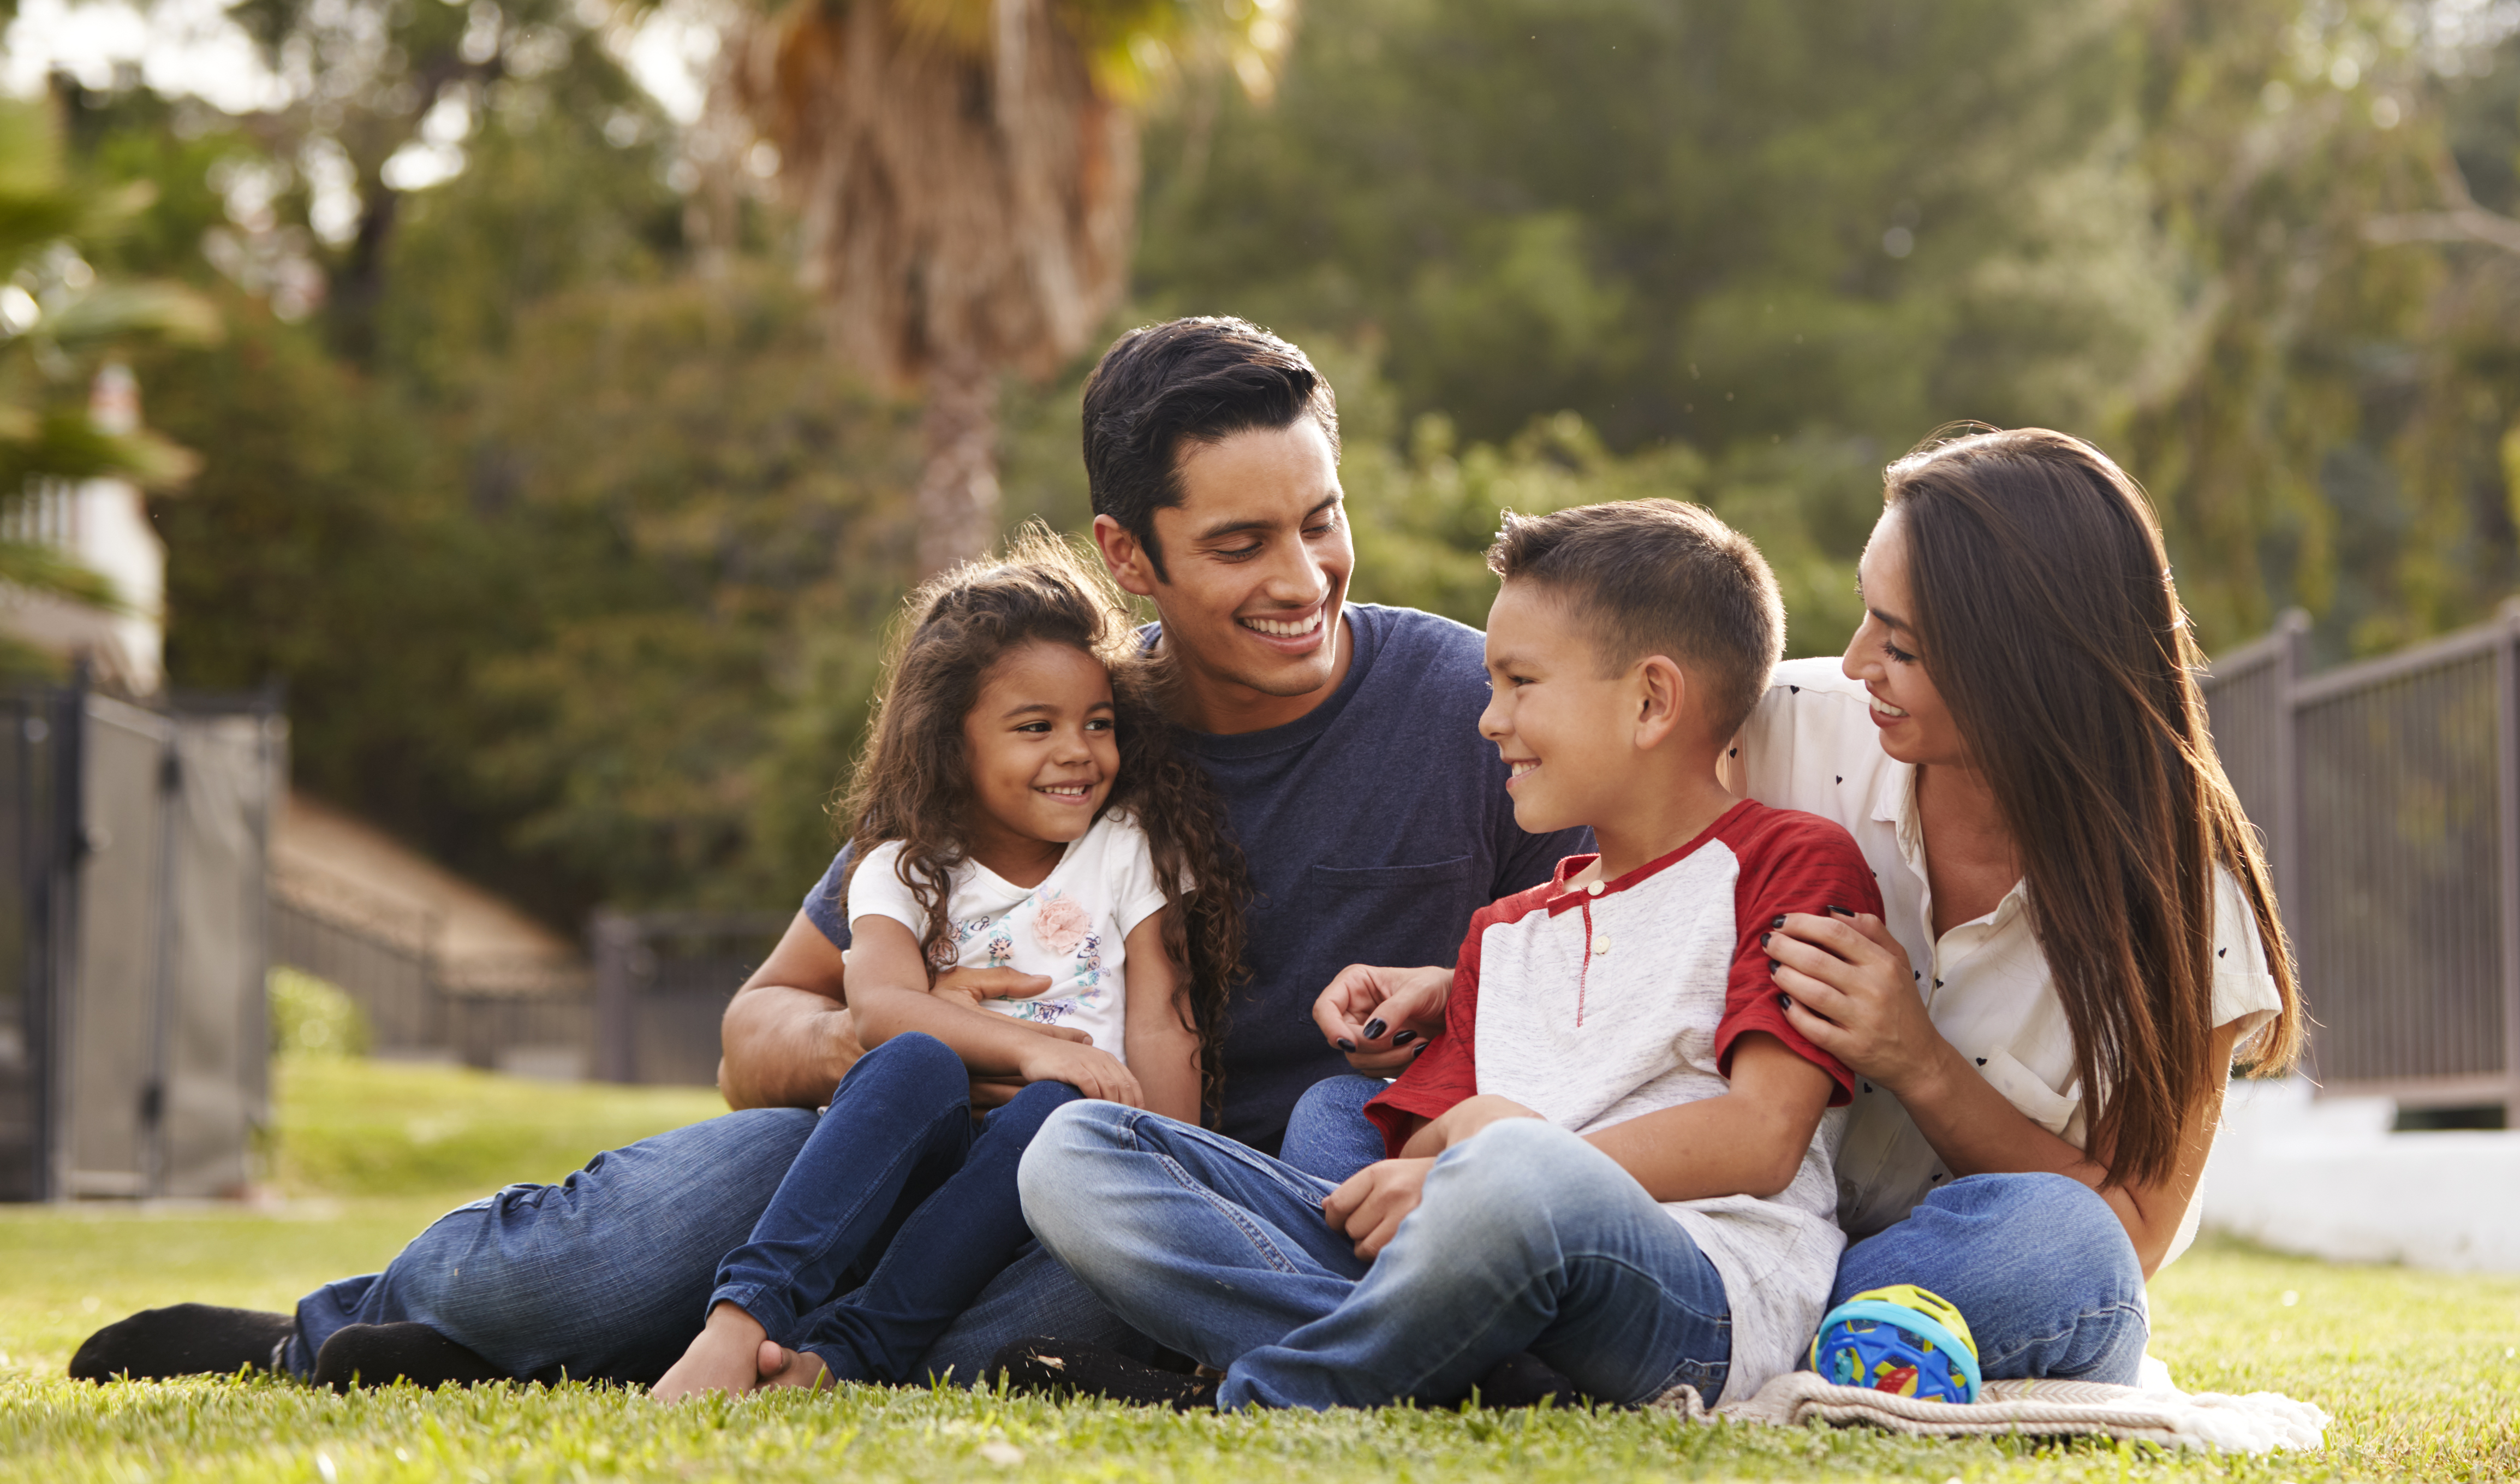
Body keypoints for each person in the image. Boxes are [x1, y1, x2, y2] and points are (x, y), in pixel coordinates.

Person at [71, 316, 1585, 1390]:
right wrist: (970, 1045)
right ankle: (356, 1325)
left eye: (1322, 520)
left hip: (1184, 1207)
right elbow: (756, 1031)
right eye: (1241, 543)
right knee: (620, 1239)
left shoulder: (1474, 708)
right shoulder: (1053, 722)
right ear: (1132, 558)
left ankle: (589, 1361)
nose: (1305, 576)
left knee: (1036, 1310)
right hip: (923, 1132)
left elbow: (1608, 969)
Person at [1305, 428, 2303, 1387]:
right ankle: (1590, 1319)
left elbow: (2134, 1230)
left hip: (1905, 1272)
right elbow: (1632, 894)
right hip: (1687, 1216)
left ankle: (1578, 1326)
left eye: (1901, 644)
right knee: (1344, 1120)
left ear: (2023, 668)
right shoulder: (1784, 723)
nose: (1859, 659)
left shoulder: (2184, 902)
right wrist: (1479, 990)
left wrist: (1919, 1062)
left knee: (2060, 1246)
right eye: (1868, 615)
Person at [1003, 499, 1886, 1411]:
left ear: (1651, 700)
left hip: (1694, 1285)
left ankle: (1268, 1391)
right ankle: (1467, 1375)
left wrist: (1499, 1139)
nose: (1487, 719)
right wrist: (1457, 1150)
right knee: (1075, 1151)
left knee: (1517, 1169)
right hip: (1471, 1252)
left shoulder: (1788, 860)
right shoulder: (1502, 931)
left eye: (1518, 682)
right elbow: (1417, 1150)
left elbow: (1762, 1136)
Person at [648, 533, 1248, 1401]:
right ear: (951, 742)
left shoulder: (1128, 848)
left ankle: (842, 1358)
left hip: (1041, 1178)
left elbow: (1163, 1012)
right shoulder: (900, 865)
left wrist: (1167, 1160)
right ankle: (738, 1323)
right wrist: (1031, 1046)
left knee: (1058, 1110)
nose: (1077, 750)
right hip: (912, 1146)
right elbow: (885, 1006)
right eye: (1034, 727)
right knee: (917, 1059)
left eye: (1098, 722)